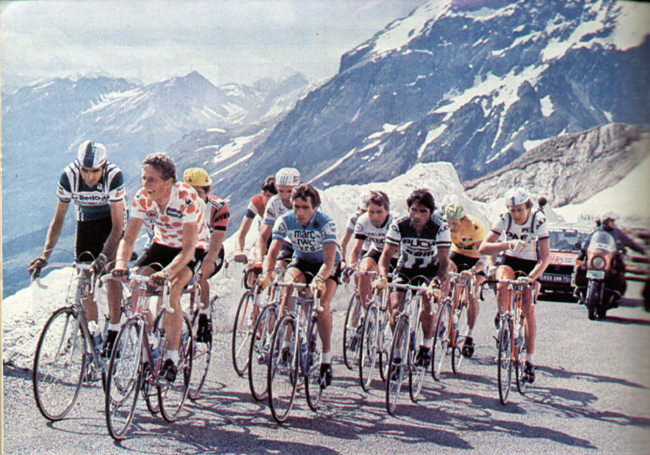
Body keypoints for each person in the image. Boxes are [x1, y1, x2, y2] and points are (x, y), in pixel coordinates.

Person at [111, 153, 207, 382]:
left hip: (191, 248)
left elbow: (188, 251)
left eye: (151, 179)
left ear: (168, 182)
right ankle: (150, 342)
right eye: (144, 178)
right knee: (137, 285)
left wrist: (166, 273)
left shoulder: (186, 197)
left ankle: (172, 358)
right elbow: (128, 239)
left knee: (173, 288)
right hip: (161, 243)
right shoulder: (143, 197)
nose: (145, 184)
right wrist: (121, 263)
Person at [28, 140, 125, 352]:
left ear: (104, 166)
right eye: (85, 170)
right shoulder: (68, 176)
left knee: (110, 273)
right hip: (86, 222)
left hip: (111, 223)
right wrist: (45, 256)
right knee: (84, 276)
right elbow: (58, 220)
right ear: (77, 166)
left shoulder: (114, 176)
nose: (89, 177)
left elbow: (118, 228)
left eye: (95, 171)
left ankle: (115, 331)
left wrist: (104, 257)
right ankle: (92, 332)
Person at [258, 183, 341, 387]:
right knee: (288, 285)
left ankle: (326, 359)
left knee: (322, 305)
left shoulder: (325, 223)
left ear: (315, 208)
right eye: (296, 207)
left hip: (326, 266)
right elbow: (273, 252)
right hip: (301, 261)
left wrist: (320, 279)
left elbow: (330, 262)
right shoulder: (284, 221)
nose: (300, 212)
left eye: (305, 207)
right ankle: (286, 342)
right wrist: (266, 274)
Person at [478, 187, 550, 384]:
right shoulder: (505, 218)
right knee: (501, 282)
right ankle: (503, 317)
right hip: (510, 260)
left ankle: (529, 361)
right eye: (512, 210)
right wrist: (506, 245)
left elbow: (545, 258)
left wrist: (532, 278)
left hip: (532, 264)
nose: (516, 215)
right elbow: (483, 247)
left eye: (520, 210)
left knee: (528, 308)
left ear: (527, 208)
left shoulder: (539, 219)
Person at [372, 189, 451, 369]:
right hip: (404, 269)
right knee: (394, 309)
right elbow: (385, 256)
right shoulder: (399, 224)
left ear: (430, 212)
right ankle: (397, 355)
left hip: (429, 270)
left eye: (423, 211)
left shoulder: (441, 227)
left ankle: (426, 346)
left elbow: (444, 262)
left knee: (427, 303)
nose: (417, 215)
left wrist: (437, 283)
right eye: (413, 210)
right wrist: (383, 275)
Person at [183, 167, 230, 341]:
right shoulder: (180, 204)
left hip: (212, 249)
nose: (193, 198)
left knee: (201, 274)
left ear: (208, 191)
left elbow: (216, 241)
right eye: (189, 192)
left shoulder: (218, 207)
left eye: (197, 193)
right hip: (189, 248)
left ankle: (204, 317)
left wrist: (207, 263)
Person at [444, 201, 486, 358]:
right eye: (449, 223)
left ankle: (469, 335)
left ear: (463, 220)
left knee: (472, 295)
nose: (451, 227)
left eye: (454, 223)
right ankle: (448, 320)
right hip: (457, 254)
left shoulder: (474, 226)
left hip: (475, 259)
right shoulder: (445, 227)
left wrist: (473, 271)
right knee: (446, 270)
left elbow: (484, 257)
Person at [575, 212, 646, 300]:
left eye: (613, 221)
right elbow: (587, 240)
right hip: (597, 257)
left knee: (620, 268)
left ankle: (617, 291)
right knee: (582, 266)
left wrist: (642, 250)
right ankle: (581, 289)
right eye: (611, 221)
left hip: (611, 257)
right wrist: (583, 249)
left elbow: (628, 241)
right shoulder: (597, 230)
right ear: (605, 222)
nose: (613, 223)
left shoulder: (617, 232)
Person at [349, 190, 397, 307]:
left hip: (395, 255)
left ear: (387, 211)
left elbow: (401, 251)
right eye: (371, 212)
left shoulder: (394, 222)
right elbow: (356, 250)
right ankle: (366, 311)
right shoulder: (363, 220)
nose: (375, 217)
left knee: (391, 304)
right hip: (377, 251)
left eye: (379, 212)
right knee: (364, 270)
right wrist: (351, 266)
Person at [256, 167, 301, 270]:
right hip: (286, 243)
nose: (285, 196)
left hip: (308, 244)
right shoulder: (274, 202)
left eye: (289, 191)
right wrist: (259, 259)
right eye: (281, 191)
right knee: (278, 269)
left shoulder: (309, 201)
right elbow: (263, 236)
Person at [233, 176, 277, 264]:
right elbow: (242, 232)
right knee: (253, 263)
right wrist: (239, 250)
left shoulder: (284, 204)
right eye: (263, 194)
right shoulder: (257, 202)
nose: (264, 198)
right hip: (264, 235)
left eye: (269, 196)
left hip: (279, 237)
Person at [339, 192, 370, 265]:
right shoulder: (354, 219)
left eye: (368, 212)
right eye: (363, 211)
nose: (365, 215)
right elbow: (343, 241)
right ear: (358, 208)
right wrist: (342, 260)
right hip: (364, 249)